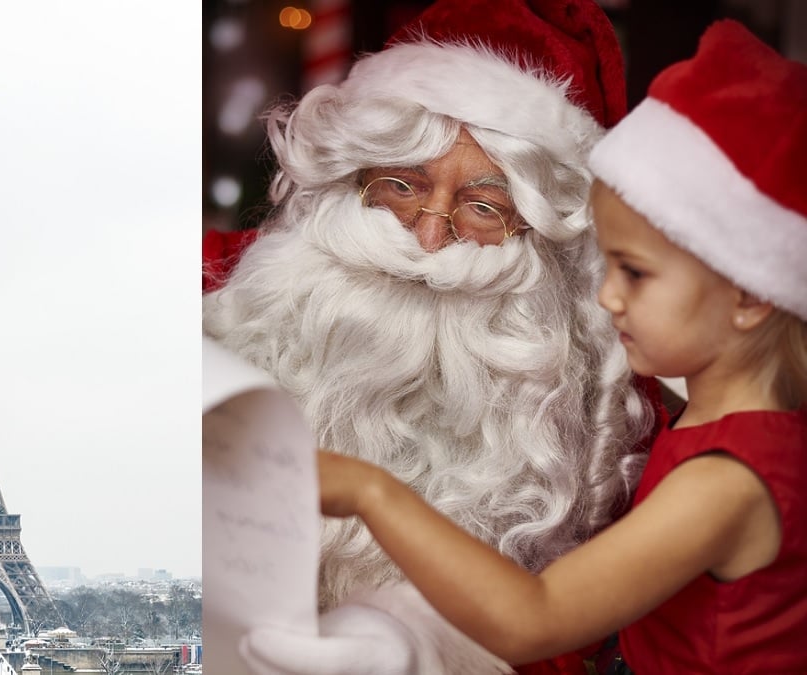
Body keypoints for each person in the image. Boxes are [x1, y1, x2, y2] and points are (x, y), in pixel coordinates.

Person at [242, 19, 807, 674]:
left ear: (750, 296)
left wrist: (371, 492)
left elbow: (535, 617)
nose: (605, 296)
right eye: (401, 185)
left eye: (634, 273)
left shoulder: (727, 477)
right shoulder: (724, 437)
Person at [203, 0, 662, 672]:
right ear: (348, 180)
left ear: (547, 237)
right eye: (401, 185)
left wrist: (422, 638)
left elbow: (568, 633)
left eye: (483, 208)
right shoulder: (221, 288)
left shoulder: (610, 419)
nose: (428, 237)